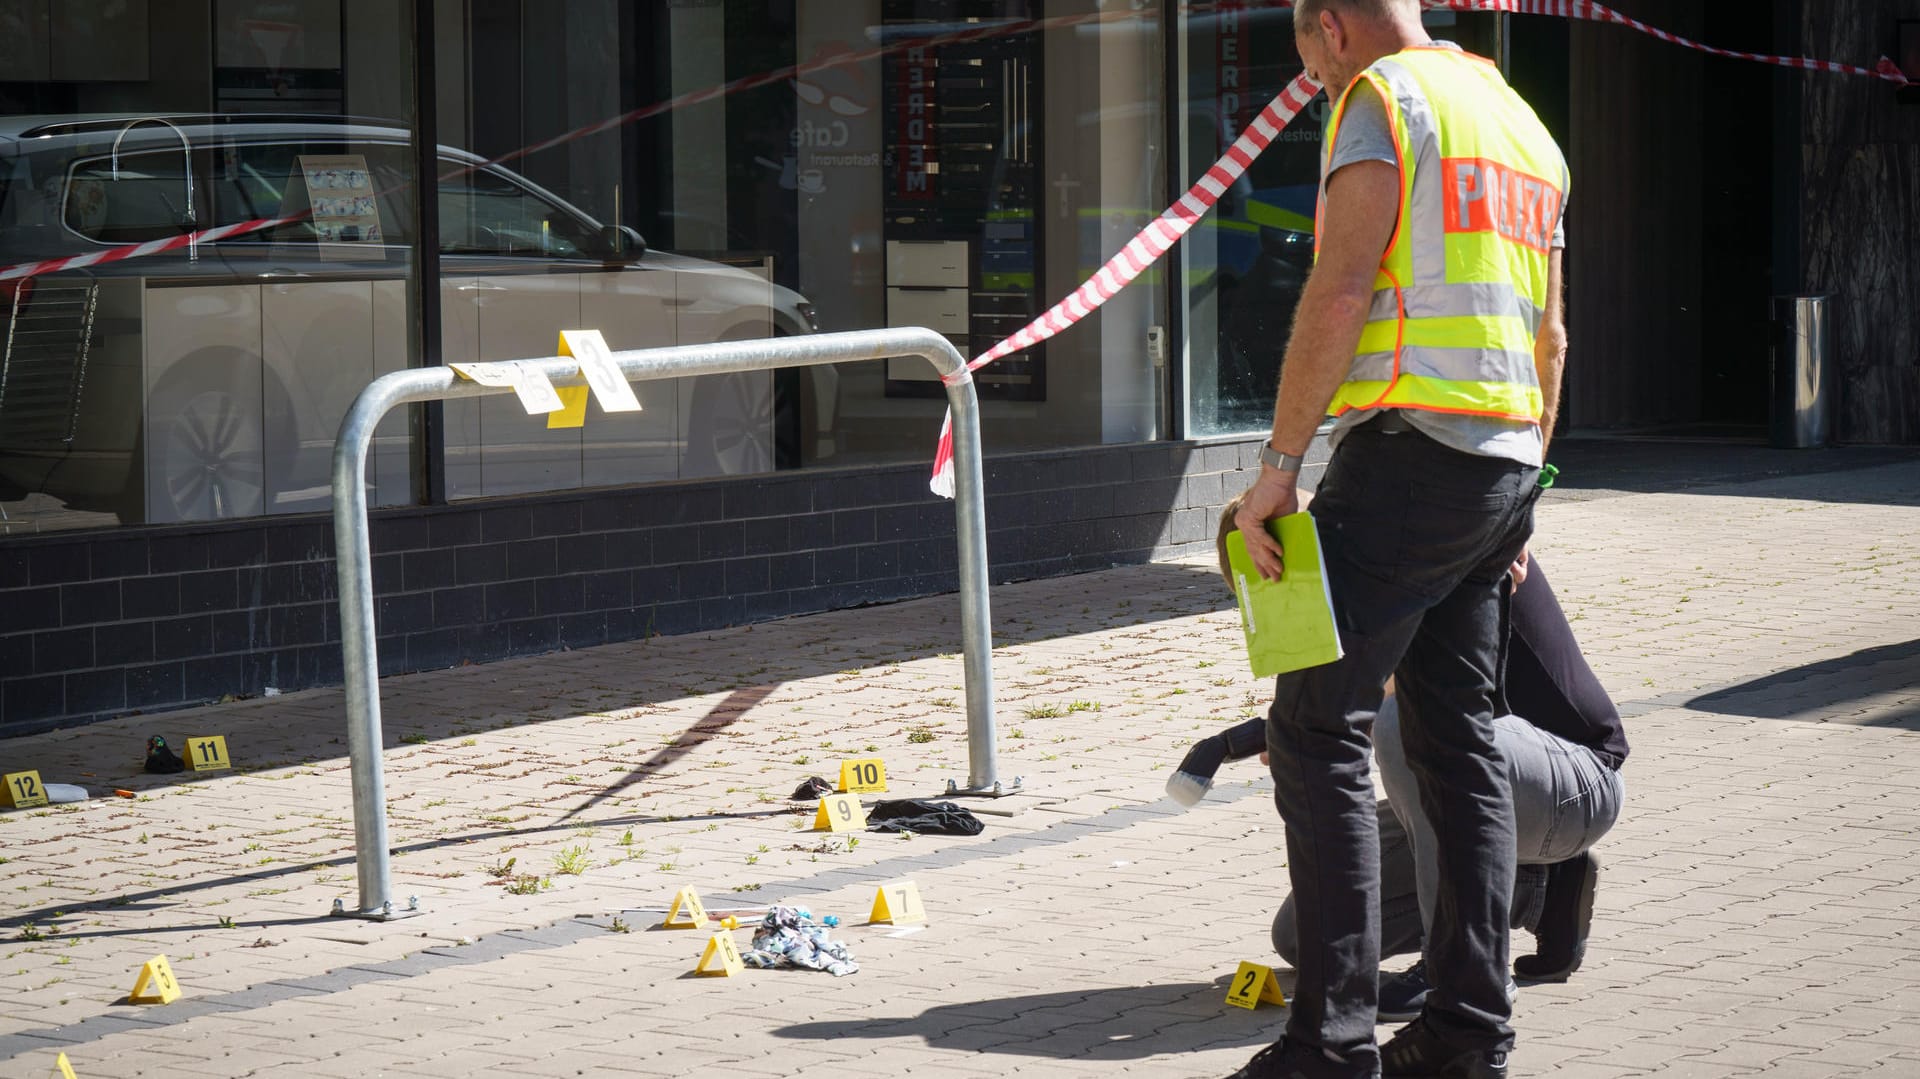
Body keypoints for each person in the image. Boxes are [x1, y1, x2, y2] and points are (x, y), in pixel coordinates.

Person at [1224, 1, 1570, 1075]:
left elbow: (1340, 286)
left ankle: (1329, 1044)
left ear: (1332, 26)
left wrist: (1278, 468)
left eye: (1305, 54)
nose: (1315, 78)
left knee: (1317, 728)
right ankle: (1470, 1032)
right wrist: (1525, 492)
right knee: (1455, 740)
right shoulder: (1518, 119)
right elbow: (1551, 333)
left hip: (1409, 451)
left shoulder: (1382, 100)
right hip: (1501, 459)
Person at [1170, 495, 1627, 1023]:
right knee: (1304, 938)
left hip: (1576, 783)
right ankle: (1540, 891)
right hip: (1492, 793)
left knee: (1407, 721)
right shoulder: (1353, 593)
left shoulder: (1425, 550)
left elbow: (1396, 701)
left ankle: (1457, 965)